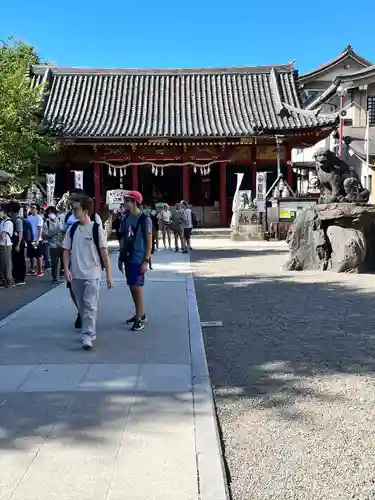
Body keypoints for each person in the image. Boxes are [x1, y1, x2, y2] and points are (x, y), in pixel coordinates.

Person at [62, 196, 114, 350]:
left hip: (93, 272)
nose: (74, 211)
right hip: (76, 273)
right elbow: (66, 250)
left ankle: (88, 335)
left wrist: (109, 277)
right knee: (81, 306)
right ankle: (87, 332)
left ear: (85, 211)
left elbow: (104, 254)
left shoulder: (96, 228)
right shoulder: (72, 229)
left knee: (90, 305)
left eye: (76, 208)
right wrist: (66, 268)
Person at [62, 189, 102, 329]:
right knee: (74, 292)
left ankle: (88, 329)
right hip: (74, 261)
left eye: (73, 198)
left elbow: (100, 243)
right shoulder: (69, 217)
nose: (71, 205)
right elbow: (64, 238)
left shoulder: (95, 218)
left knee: (89, 301)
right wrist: (66, 266)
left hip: (91, 265)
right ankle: (80, 311)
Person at [118, 191, 152, 332]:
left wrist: (146, 260)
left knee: (136, 287)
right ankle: (140, 313)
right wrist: (120, 257)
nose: (124, 203)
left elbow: (149, 241)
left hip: (139, 258)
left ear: (134, 202)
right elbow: (123, 238)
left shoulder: (145, 219)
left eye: (127, 200)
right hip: (128, 256)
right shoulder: (125, 219)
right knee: (132, 286)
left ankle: (139, 318)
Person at [43, 206, 63, 284]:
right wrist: (52, 234)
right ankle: (55, 277)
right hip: (52, 245)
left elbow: (62, 231)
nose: (51, 214)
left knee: (63, 261)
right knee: (54, 262)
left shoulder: (59, 220)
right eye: (49, 213)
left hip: (61, 244)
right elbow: (44, 235)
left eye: (52, 213)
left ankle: (62, 274)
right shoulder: (46, 223)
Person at [9, 201, 26, 285]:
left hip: (18, 242)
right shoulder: (13, 217)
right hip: (15, 241)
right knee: (15, 260)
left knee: (19, 260)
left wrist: (18, 244)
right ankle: (16, 277)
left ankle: (20, 278)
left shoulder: (18, 219)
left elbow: (20, 232)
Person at [27, 203, 44, 276]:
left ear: (37, 209)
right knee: (31, 255)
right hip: (30, 239)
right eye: (31, 208)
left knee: (38, 255)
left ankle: (40, 271)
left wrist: (38, 239)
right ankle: (32, 269)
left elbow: (40, 229)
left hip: (36, 239)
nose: (32, 209)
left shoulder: (39, 218)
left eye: (34, 208)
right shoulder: (29, 217)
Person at [0, 203, 14, 288]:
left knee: (6, 264)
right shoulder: (3, 221)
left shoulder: (8, 222)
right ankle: (5, 280)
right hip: (1, 244)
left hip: (5, 245)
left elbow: (3, 235)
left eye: (1, 210)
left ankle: (9, 281)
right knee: (2, 264)